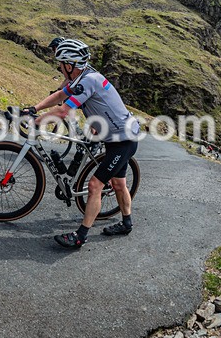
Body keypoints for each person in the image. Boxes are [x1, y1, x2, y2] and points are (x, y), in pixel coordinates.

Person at [29, 38, 140, 249]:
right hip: (118, 137)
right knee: (118, 184)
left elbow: (63, 111)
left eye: (61, 65)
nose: (60, 69)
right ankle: (126, 223)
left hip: (123, 141)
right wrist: (34, 109)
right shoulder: (84, 77)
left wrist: (35, 122)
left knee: (95, 185)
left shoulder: (88, 80)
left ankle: (81, 236)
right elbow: (61, 94)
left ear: (69, 65)